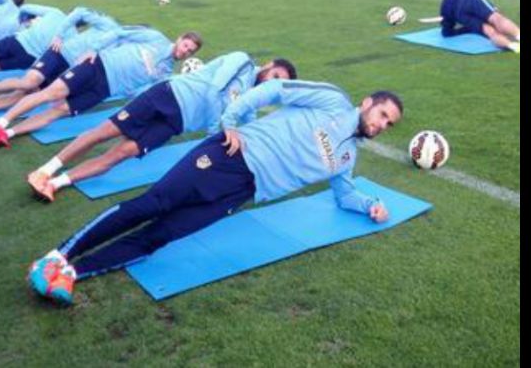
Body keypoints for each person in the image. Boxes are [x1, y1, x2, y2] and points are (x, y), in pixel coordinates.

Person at [26, 80, 403, 305]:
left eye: (389, 124)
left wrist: (371, 205)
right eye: (383, 115)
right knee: (152, 204)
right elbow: (273, 89)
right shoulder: (333, 100)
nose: (382, 125)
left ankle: (71, 272)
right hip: (230, 155)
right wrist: (231, 121)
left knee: (161, 235)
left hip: (241, 193)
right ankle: (57, 255)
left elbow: (344, 194)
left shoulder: (348, 156)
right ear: (368, 103)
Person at [27, 53, 297, 201]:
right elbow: (215, 89)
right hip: (166, 96)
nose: (269, 83)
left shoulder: (251, 101)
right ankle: (44, 170)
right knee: (103, 133)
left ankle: (56, 183)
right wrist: (219, 128)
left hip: (175, 123)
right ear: (269, 65)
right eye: (274, 76)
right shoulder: (242, 61)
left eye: (275, 84)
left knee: (121, 154)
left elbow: (248, 129)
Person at [0, 30, 202, 148]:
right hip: (97, 67)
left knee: (58, 111)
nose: (185, 52)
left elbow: (141, 92)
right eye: (186, 45)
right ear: (179, 39)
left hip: (105, 90)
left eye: (190, 52)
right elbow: (119, 33)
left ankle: (7, 133)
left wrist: (131, 91)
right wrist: (94, 49)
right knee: (50, 93)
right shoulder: (154, 37)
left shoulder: (166, 72)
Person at [0, 7, 141, 124]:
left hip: (70, 71)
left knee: (26, 93)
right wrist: (59, 35)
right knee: (29, 82)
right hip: (59, 54)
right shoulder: (109, 25)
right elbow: (79, 11)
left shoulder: (123, 52)